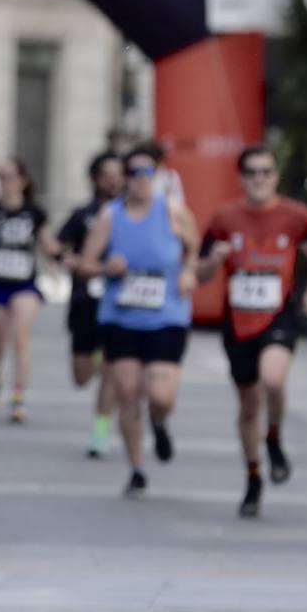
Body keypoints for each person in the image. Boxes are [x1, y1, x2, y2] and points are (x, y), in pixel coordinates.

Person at [195, 144, 307, 518]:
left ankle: (273, 435)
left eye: (266, 172)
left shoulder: (294, 215)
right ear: (241, 178)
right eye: (252, 173)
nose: (259, 179)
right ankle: (254, 476)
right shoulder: (225, 218)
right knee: (247, 404)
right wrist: (214, 260)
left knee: (272, 381)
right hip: (238, 322)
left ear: (275, 176)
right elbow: (200, 272)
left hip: (278, 316)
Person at [81, 144, 199, 497]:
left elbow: (195, 249)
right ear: (124, 179)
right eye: (134, 173)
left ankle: (160, 422)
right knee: (128, 393)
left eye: (149, 172)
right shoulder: (109, 216)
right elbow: (85, 264)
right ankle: (136, 468)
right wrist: (105, 267)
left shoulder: (173, 212)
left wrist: (189, 272)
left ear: (159, 176)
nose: (141, 180)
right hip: (121, 317)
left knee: (160, 395)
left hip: (167, 316)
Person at [0, 157, 62, 423]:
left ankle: (18, 397)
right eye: (2, 178)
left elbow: (48, 244)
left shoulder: (34, 212)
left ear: (23, 181)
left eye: (11, 178)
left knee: (21, 339)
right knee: (0, 343)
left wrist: (58, 261)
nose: (6, 184)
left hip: (25, 284)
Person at [58, 152, 124, 458]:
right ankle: (98, 359)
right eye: (106, 174)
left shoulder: (132, 214)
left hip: (119, 302)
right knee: (82, 376)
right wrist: (76, 264)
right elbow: (60, 249)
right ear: (95, 178)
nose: (113, 180)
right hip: (85, 299)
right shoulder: (83, 214)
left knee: (111, 369)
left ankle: (100, 430)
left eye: (118, 173)